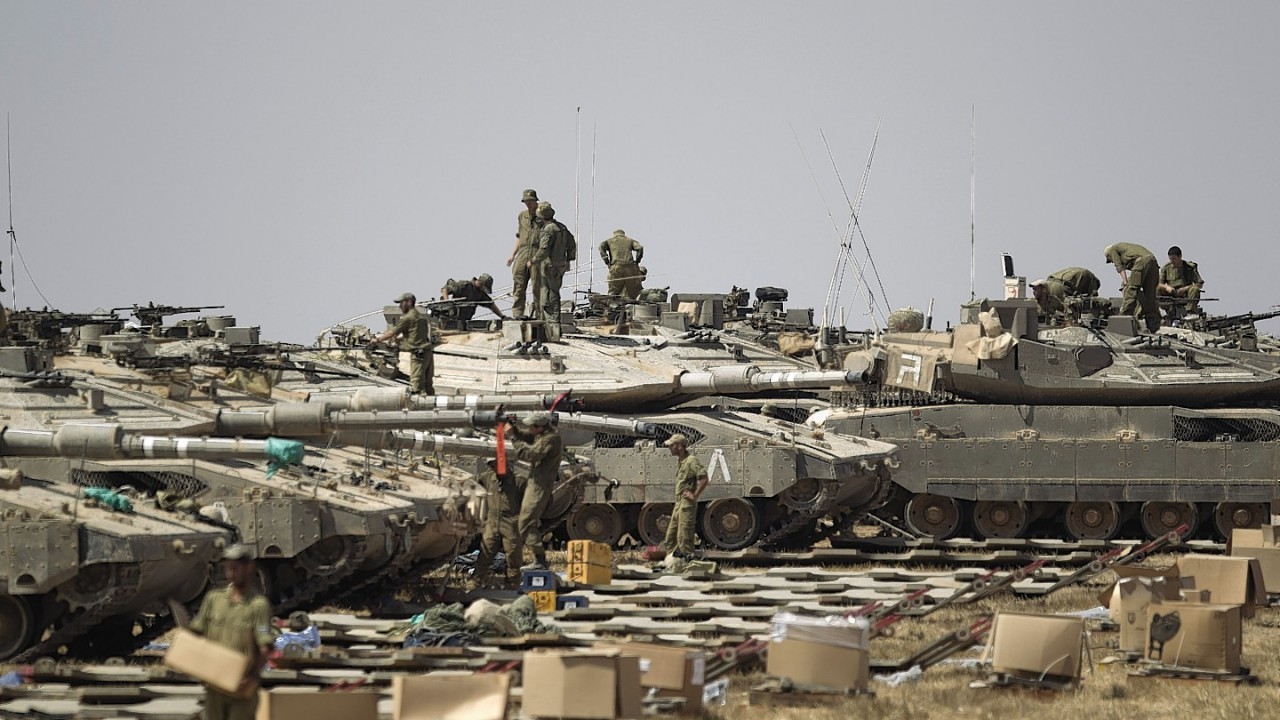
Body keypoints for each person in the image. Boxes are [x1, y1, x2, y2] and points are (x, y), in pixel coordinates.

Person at [188, 544, 274, 720]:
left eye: (235, 568)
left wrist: (251, 677)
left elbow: (265, 646)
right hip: (214, 684)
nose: (230, 573)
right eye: (227, 568)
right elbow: (196, 633)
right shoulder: (214, 600)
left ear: (249, 568)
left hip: (241, 686)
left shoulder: (258, 605)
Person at [507, 411, 563, 570]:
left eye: (532, 426)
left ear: (539, 427)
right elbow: (529, 437)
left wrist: (513, 438)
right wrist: (514, 428)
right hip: (535, 483)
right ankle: (539, 560)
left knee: (525, 522)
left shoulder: (549, 440)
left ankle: (540, 560)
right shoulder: (545, 435)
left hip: (539, 486)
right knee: (524, 521)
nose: (530, 428)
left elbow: (530, 454)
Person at [473, 458, 524, 588]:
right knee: (485, 553)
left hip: (511, 522)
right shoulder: (487, 478)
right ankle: (476, 582)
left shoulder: (519, 481)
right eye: (493, 465)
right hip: (492, 521)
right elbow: (471, 485)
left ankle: (512, 584)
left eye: (499, 464)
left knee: (513, 556)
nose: (496, 468)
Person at [370, 292, 435, 394]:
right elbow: (416, 334)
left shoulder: (407, 317)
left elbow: (392, 333)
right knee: (428, 386)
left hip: (418, 356)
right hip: (427, 354)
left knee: (417, 387)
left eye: (401, 303)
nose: (400, 306)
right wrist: (400, 339)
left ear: (409, 302)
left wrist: (377, 340)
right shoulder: (421, 317)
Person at [661, 433, 708, 568]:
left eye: (672, 445)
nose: (669, 448)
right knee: (671, 536)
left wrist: (695, 495)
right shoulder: (681, 461)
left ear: (680, 446)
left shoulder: (691, 460)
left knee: (684, 535)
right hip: (679, 502)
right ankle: (673, 562)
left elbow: (703, 478)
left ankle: (687, 563)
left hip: (687, 503)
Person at [532, 202, 576, 342]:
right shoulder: (561, 227)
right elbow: (572, 244)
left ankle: (552, 326)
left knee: (549, 296)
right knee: (553, 293)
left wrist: (533, 260)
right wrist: (568, 260)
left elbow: (544, 249)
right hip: (560, 265)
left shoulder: (548, 229)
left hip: (549, 266)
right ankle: (552, 325)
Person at [1104, 243, 1161, 332]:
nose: (1112, 261)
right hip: (1153, 262)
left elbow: (1120, 268)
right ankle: (1153, 325)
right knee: (1150, 296)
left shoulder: (1112, 250)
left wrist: (1126, 282)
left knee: (1131, 291)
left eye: (1110, 260)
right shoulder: (1126, 248)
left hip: (1141, 261)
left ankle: (1122, 321)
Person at [506, 189, 542, 320]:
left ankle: (539, 314)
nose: (528, 204)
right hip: (522, 252)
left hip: (537, 252)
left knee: (538, 285)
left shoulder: (543, 215)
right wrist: (513, 255)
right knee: (519, 284)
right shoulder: (522, 216)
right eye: (526, 202)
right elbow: (520, 236)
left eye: (530, 201)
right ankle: (517, 314)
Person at [440, 274, 509, 328]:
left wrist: (502, 316)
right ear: (480, 284)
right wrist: (447, 302)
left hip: (464, 323)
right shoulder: (464, 286)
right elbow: (445, 289)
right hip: (451, 320)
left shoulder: (480, 294)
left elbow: (491, 305)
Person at [1030, 267, 1102, 316]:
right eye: (1034, 289)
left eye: (1035, 289)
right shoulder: (1091, 279)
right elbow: (1093, 296)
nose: (1034, 292)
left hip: (1050, 281)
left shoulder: (1077, 271)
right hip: (1059, 287)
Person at [598, 229, 645, 300]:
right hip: (630, 267)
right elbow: (640, 248)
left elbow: (600, 247)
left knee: (613, 290)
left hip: (616, 267)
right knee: (634, 290)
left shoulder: (610, 241)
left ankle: (612, 304)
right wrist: (637, 261)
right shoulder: (630, 240)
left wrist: (607, 262)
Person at [1157, 245, 1205, 315]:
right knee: (1156, 288)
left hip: (1185, 294)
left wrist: (1185, 289)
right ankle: (1160, 310)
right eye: (1170, 259)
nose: (1172, 261)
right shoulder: (1166, 268)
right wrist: (1167, 288)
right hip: (1170, 294)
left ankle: (1190, 312)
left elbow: (1199, 284)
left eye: (1174, 259)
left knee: (1195, 289)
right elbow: (1159, 283)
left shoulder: (1189, 268)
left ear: (1180, 256)